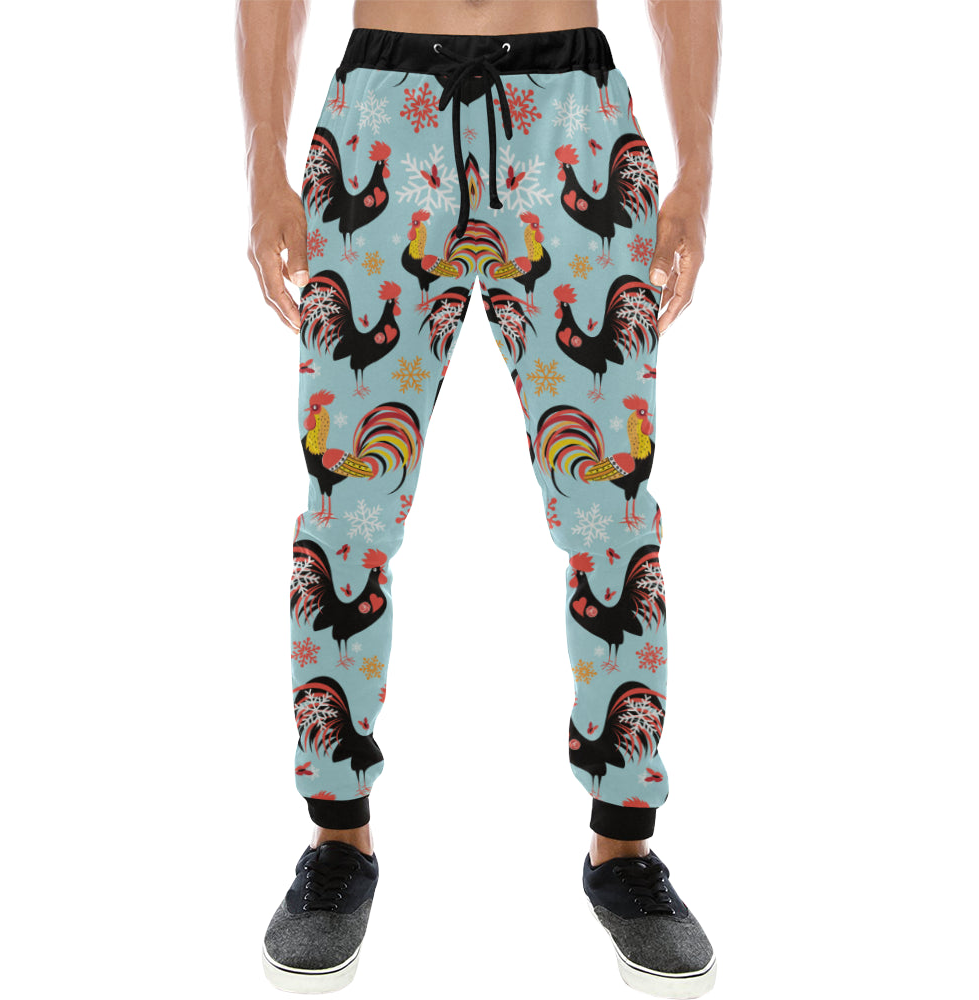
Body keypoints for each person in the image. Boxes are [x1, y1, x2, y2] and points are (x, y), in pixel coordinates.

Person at [235, 0, 721, 994]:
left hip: (572, 119)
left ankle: (624, 844)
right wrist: (262, 169)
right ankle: (338, 837)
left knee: (611, 510)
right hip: (380, 113)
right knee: (348, 506)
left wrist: (697, 172)